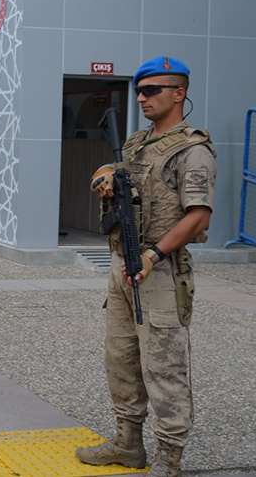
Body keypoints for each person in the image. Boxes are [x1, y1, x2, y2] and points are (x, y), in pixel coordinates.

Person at [75, 57, 215, 477]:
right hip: (122, 264)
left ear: (179, 93)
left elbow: (198, 216)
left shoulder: (193, 150)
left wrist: (153, 257)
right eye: (140, 90)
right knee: (121, 359)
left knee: (164, 367)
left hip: (159, 267)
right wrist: (103, 174)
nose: (142, 97)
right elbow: (116, 174)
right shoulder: (136, 142)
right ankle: (128, 444)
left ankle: (169, 461)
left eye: (152, 90)